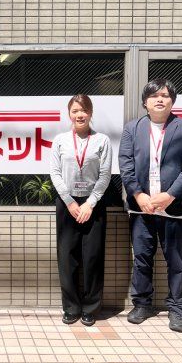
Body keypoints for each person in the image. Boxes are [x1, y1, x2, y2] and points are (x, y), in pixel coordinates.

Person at [119, 79, 182, 333]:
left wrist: (170, 195)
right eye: (154, 95)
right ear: (145, 102)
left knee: (177, 261)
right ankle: (142, 304)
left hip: (175, 207)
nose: (160, 99)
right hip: (142, 208)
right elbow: (126, 164)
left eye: (165, 95)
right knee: (142, 259)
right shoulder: (132, 128)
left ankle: (178, 308)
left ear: (172, 101)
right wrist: (138, 195)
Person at [50, 94, 112, 326]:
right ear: (69, 114)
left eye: (84, 110)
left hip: (93, 204)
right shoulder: (60, 140)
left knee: (93, 256)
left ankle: (91, 308)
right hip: (67, 204)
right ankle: (71, 307)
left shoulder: (102, 140)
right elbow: (55, 172)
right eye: (75, 110)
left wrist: (90, 203)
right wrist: (69, 201)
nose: (80, 114)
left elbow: (105, 175)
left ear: (90, 113)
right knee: (67, 257)